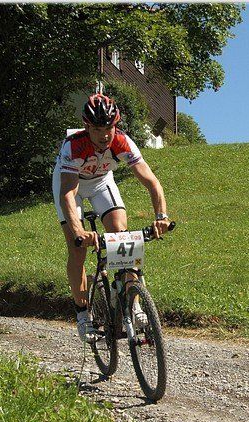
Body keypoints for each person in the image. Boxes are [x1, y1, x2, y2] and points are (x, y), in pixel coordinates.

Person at [52, 92, 171, 341]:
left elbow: (152, 182)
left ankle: (133, 303)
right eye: (97, 129)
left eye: (109, 128)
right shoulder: (73, 146)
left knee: (121, 234)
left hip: (101, 182)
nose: (104, 135)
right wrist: (79, 232)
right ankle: (82, 314)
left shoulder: (122, 142)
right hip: (71, 186)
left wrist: (161, 216)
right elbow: (68, 193)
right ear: (87, 127)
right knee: (77, 249)